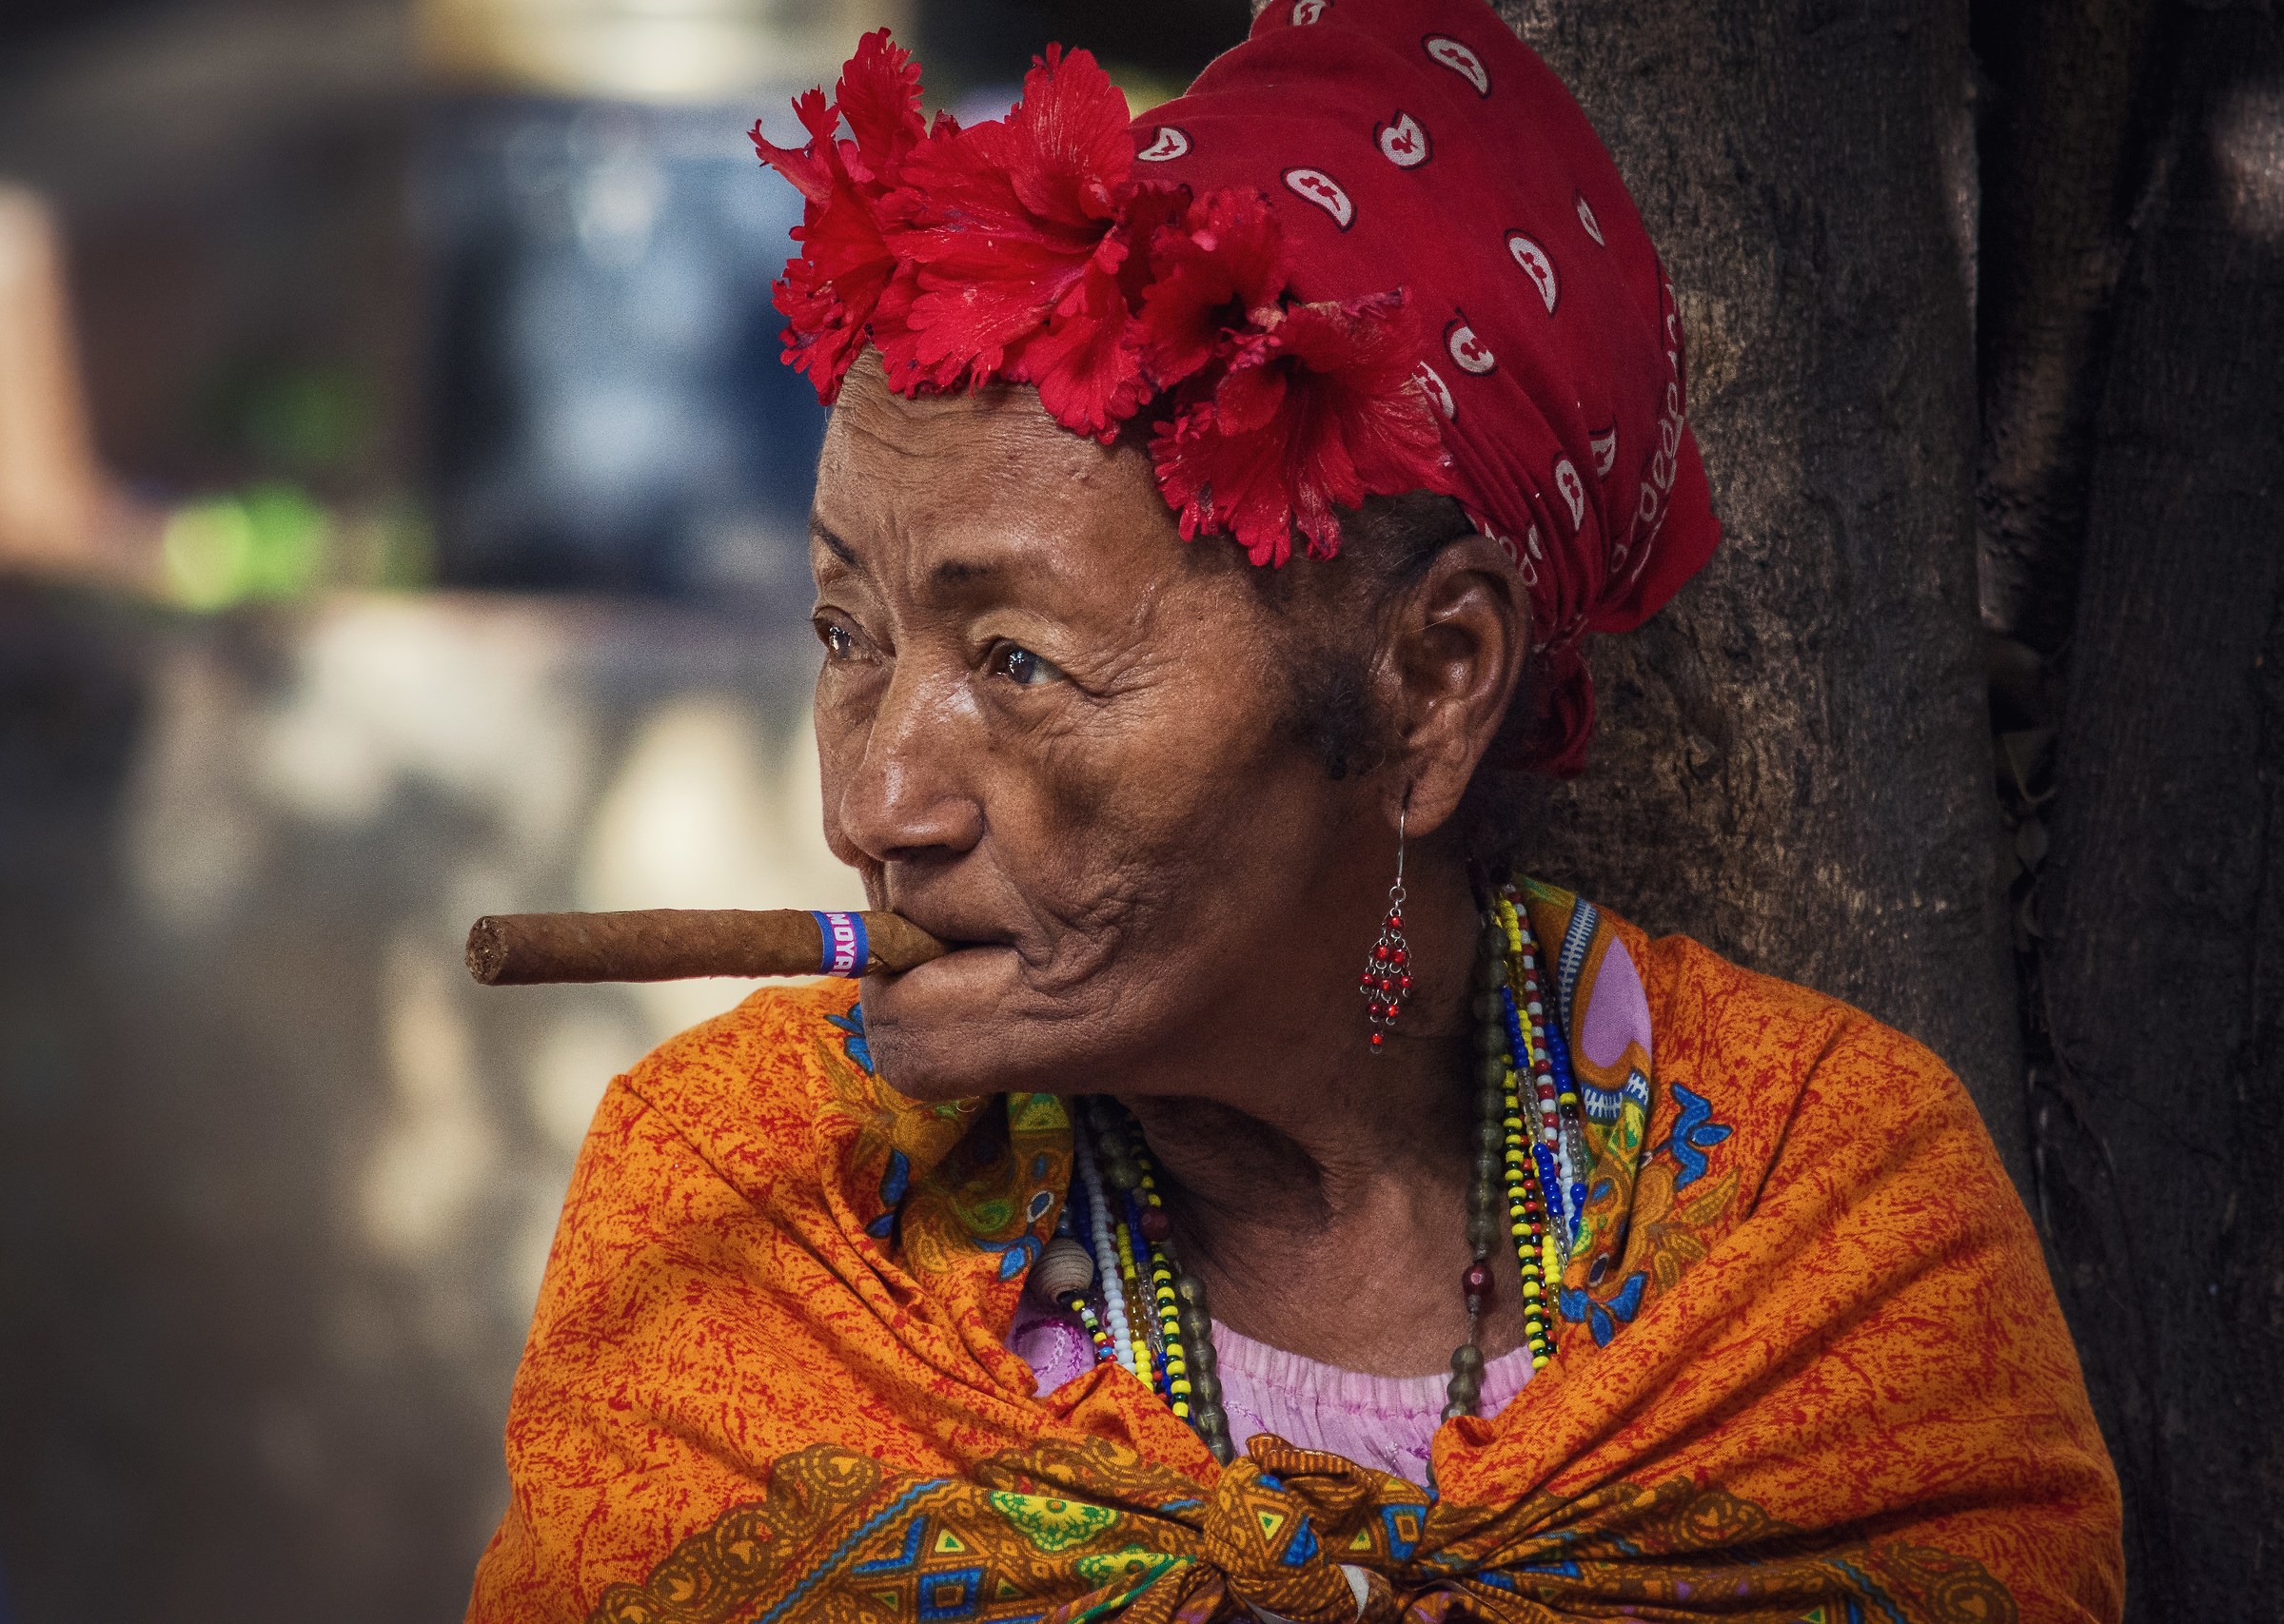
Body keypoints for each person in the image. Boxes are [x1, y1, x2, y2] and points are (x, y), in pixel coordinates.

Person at [468, 3, 2123, 1620]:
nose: (875, 806)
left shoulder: (1827, 1233)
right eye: (849, 636)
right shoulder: (752, 1210)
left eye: (1022, 665)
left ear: (1432, 680)